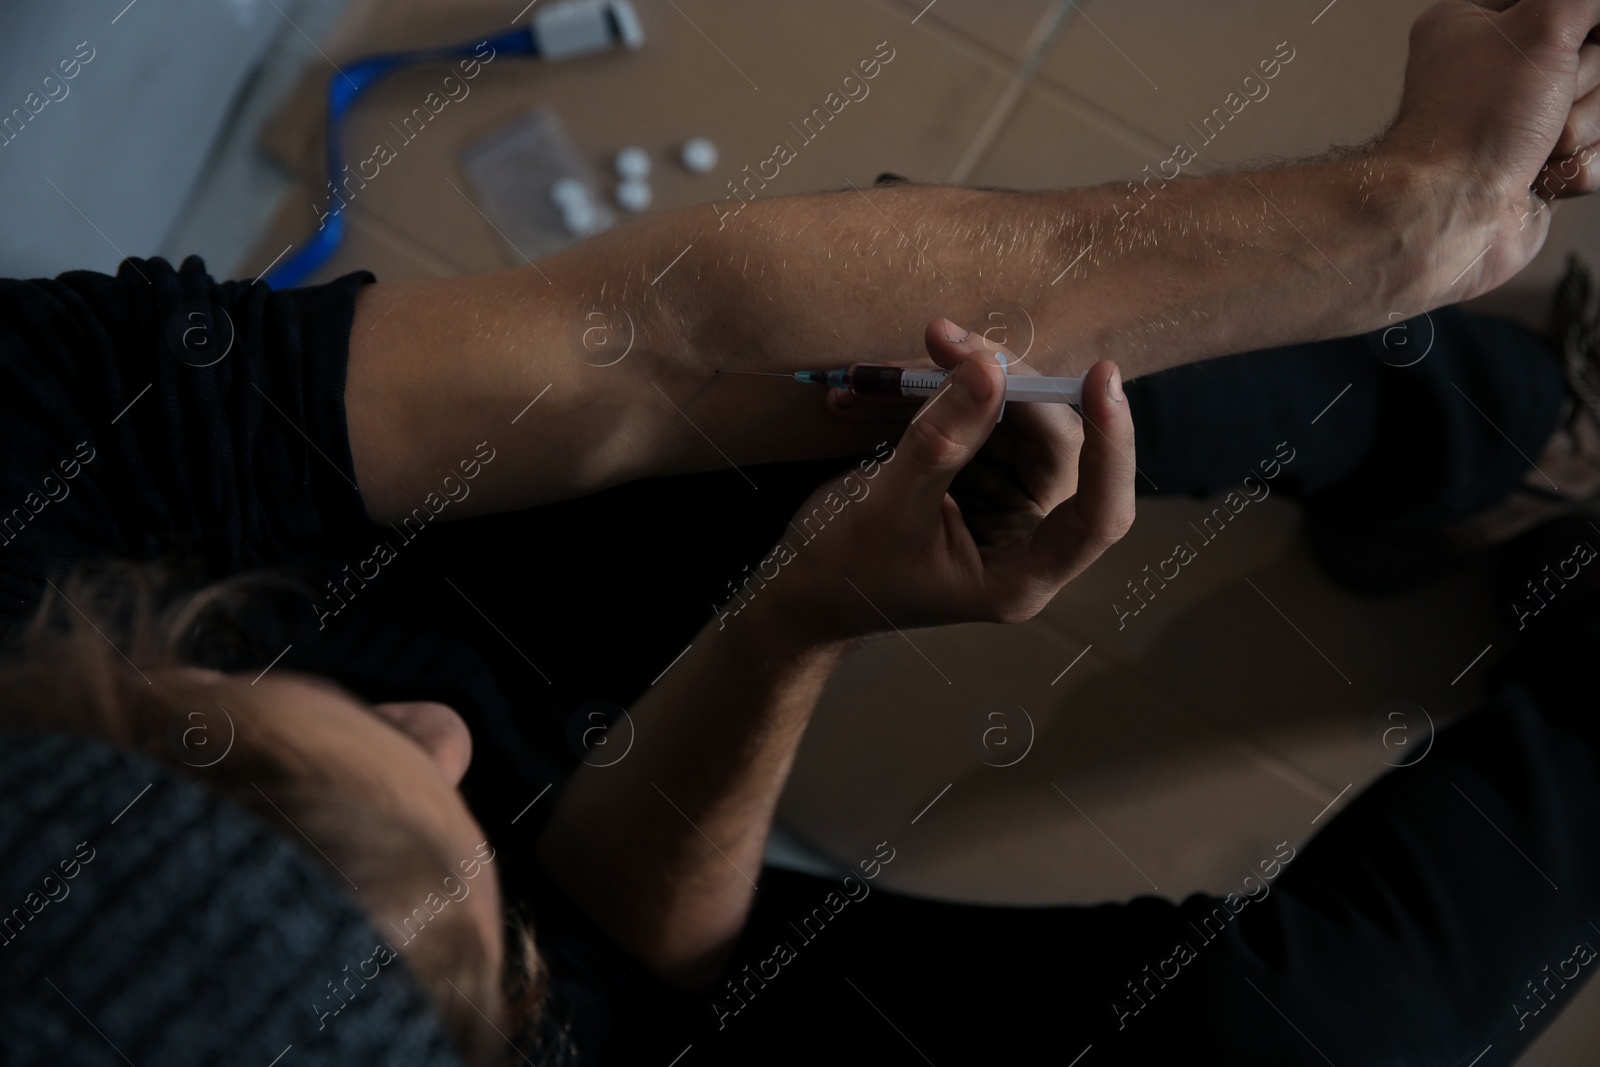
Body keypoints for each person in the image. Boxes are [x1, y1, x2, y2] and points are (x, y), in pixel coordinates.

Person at [3, 0, 1600, 1062]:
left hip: (463, 648)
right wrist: (788, 630)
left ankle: (1500, 428)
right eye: (456, 939)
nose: (439, 739)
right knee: (1321, 1040)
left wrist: (1399, 217)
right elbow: (633, 969)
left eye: (202, 715)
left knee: (960, 378)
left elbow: (671, 333)